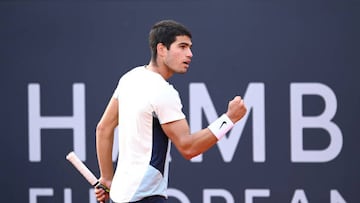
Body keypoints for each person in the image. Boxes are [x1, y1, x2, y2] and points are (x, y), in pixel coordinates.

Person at [94, 19, 247, 203]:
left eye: (190, 47)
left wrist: (107, 179)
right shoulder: (163, 91)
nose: (189, 54)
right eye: (182, 47)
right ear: (161, 49)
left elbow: (103, 128)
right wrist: (229, 119)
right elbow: (188, 147)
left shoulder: (129, 78)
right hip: (146, 197)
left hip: (120, 197)